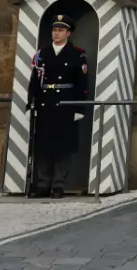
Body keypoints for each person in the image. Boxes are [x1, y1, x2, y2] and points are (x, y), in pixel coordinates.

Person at [26, 14, 90, 198]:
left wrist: (79, 108)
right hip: (45, 103)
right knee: (43, 145)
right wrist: (31, 104)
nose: (56, 33)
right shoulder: (42, 53)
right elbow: (34, 81)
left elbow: (82, 84)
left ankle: (58, 185)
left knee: (63, 146)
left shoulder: (78, 54)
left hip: (66, 104)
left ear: (68, 33)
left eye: (60, 30)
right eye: (54, 30)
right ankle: (43, 184)